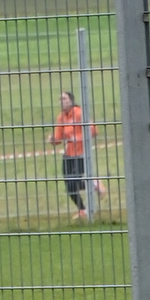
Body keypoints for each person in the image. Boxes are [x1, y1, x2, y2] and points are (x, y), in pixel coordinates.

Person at [51, 88, 92, 219]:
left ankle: (93, 185)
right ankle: (82, 210)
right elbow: (58, 138)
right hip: (68, 155)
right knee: (69, 186)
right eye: (60, 99)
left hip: (81, 154)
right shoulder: (61, 117)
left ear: (71, 100)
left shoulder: (79, 113)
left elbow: (93, 130)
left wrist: (78, 138)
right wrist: (53, 139)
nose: (61, 102)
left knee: (73, 182)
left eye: (64, 99)